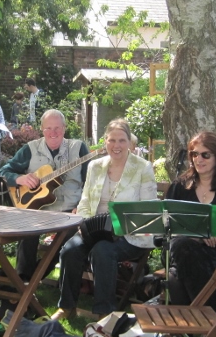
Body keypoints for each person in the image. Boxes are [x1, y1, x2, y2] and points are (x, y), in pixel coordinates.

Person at [52, 119, 157, 320]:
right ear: (105, 142)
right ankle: (67, 307)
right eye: (112, 140)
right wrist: (83, 225)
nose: (116, 146)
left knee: (103, 251)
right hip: (95, 229)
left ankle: (104, 312)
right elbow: (84, 201)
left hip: (129, 234)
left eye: (121, 140)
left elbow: (148, 209)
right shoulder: (95, 166)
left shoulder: (143, 168)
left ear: (129, 142)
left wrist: (124, 226)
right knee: (70, 250)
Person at [0, 109, 90, 280]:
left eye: (57, 128)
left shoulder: (78, 148)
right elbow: (2, 172)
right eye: (48, 128)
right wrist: (20, 178)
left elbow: (90, 183)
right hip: (38, 211)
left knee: (67, 240)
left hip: (69, 211)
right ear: (42, 129)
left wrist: (81, 206)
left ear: (64, 128)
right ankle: (24, 280)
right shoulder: (31, 149)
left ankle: (34, 279)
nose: (53, 133)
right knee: (27, 233)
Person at [166, 131, 216, 315]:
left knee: (182, 258)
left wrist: (212, 236)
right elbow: (167, 223)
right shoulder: (180, 186)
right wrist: (198, 238)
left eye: (205, 155)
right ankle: (205, 315)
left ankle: (200, 315)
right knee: (182, 245)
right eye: (194, 154)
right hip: (181, 250)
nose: (198, 159)